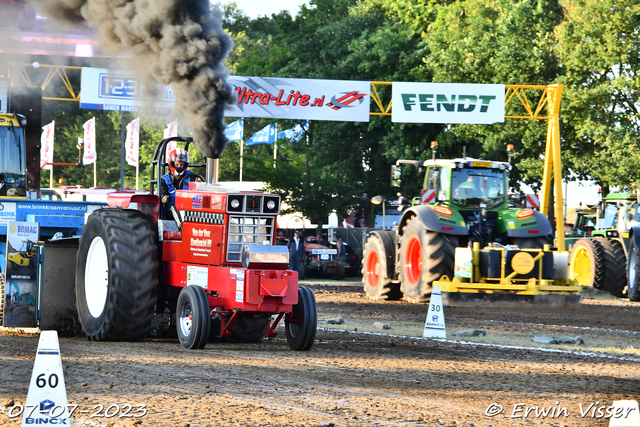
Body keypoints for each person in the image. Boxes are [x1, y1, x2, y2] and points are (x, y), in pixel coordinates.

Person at [160, 148, 202, 218]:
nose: (179, 166)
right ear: (172, 163)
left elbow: (199, 192)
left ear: (185, 165)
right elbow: (162, 194)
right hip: (170, 208)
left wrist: (200, 185)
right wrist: (164, 198)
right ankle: (182, 227)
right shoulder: (164, 180)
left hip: (188, 206)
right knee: (175, 207)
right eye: (177, 164)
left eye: (181, 164)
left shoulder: (192, 177)